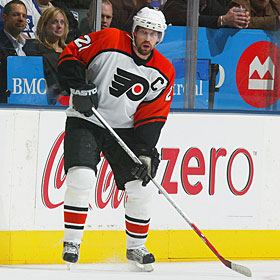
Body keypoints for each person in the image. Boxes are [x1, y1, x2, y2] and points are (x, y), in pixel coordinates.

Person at [57, 7, 175, 271]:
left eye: (154, 34)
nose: (147, 38)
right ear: (133, 31)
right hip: (86, 119)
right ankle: (72, 242)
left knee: (141, 185)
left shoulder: (163, 71)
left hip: (125, 129)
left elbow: (153, 114)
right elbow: (71, 54)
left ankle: (136, 247)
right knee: (82, 177)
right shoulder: (109, 39)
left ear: (160, 38)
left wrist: (145, 150)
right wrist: (78, 84)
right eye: (143, 31)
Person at [24, 7, 69, 104]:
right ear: (44, 25)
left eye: (62, 22)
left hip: (68, 102)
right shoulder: (33, 48)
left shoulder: (69, 51)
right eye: (54, 22)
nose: (59, 26)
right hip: (45, 102)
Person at [0, 0, 27, 103]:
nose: (21, 19)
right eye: (16, 15)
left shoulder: (29, 46)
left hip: (28, 100)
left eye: (24, 16)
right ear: (4, 17)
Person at [162, 0, 250, 29]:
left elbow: (223, 15)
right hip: (176, 49)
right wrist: (222, 20)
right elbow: (190, 19)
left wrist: (238, 19)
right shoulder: (174, 3)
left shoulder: (208, 2)